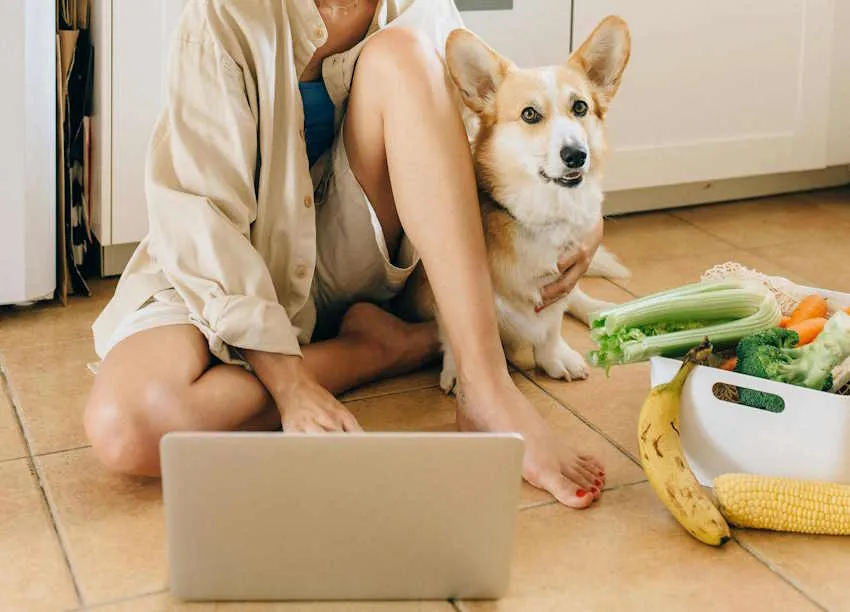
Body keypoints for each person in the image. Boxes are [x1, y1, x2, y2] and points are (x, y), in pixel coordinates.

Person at [84, 0, 606, 509]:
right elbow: (200, 219)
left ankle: (486, 388)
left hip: (358, 261)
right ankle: (382, 349)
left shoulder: (422, 14)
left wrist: (583, 220)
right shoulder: (225, 14)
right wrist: (289, 385)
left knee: (403, 53)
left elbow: (494, 145)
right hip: (226, 263)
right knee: (123, 425)